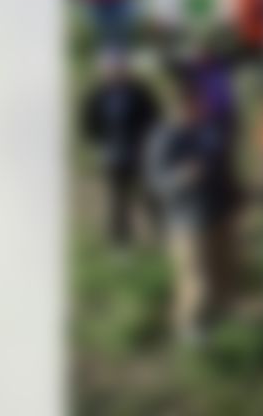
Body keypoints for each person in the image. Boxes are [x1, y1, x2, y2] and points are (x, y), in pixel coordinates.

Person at [146, 85, 242, 346]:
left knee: (224, 269)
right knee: (194, 276)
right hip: (187, 220)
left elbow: (223, 166)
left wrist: (236, 194)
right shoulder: (162, 139)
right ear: (174, 109)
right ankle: (188, 325)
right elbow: (156, 183)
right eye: (188, 108)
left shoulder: (207, 131)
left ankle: (220, 315)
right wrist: (181, 177)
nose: (196, 112)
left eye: (198, 107)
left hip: (218, 213)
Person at [80, 49, 161, 246]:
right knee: (118, 199)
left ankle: (161, 233)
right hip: (112, 156)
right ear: (104, 71)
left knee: (149, 194)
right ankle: (120, 241)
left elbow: (155, 118)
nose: (116, 72)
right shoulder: (97, 95)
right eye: (111, 69)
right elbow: (88, 123)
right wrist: (97, 145)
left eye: (119, 68)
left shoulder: (140, 92)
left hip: (140, 153)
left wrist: (149, 143)